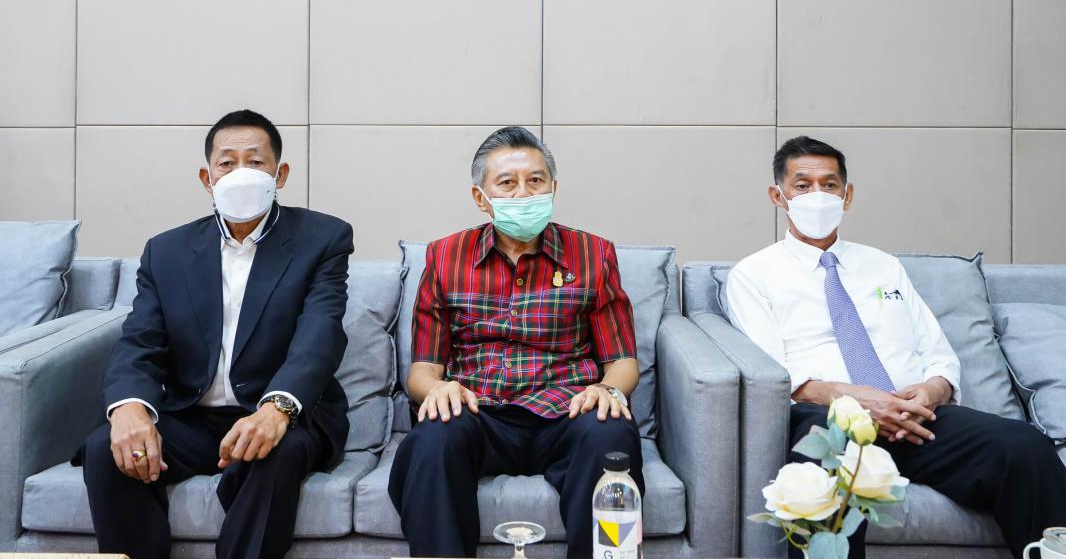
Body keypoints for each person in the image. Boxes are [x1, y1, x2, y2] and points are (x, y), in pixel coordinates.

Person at [725, 135, 1066, 558]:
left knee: (1023, 446)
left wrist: (931, 391)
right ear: (778, 196)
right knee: (817, 471)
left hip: (913, 418)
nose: (818, 195)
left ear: (847, 195)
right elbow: (773, 376)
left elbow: (938, 354)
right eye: (803, 185)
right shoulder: (754, 275)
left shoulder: (883, 266)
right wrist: (859, 402)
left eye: (829, 185)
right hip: (828, 422)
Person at [79, 109, 354, 559]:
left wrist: (277, 409)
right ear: (207, 178)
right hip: (191, 417)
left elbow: (320, 336)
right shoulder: (166, 251)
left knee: (274, 452)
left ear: (280, 174)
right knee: (106, 449)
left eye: (256, 162)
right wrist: (128, 406)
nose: (241, 172)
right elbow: (140, 340)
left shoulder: (322, 239)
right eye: (227, 163)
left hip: (280, 414)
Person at [388, 126, 643, 559]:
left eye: (535, 180)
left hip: (566, 411)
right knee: (432, 438)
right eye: (507, 182)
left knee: (612, 431)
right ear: (480, 197)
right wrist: (438, 389)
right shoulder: (444, 257)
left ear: (553, 188)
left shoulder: (593, 254)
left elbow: (622, 361)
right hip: (479, 413)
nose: (523, 193)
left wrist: (607, 389)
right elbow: (422, 370)